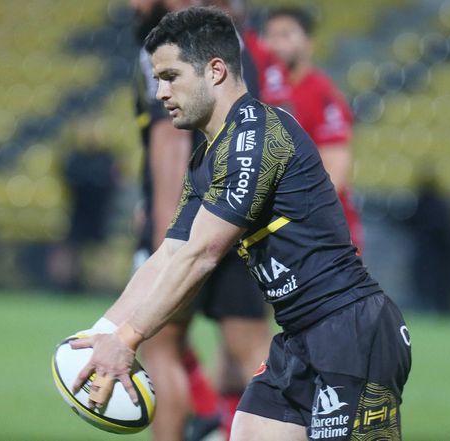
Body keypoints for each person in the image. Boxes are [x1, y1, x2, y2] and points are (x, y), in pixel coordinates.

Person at [71, 7, 411, 440]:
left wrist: (129, 337)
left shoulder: (256, 136)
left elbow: (202, 254)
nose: (160, 92)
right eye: (157, 79)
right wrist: (103, 332)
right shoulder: (207, 156)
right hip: (299, 337)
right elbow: (171, 252)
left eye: (171, 76)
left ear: (214, 71)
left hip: (351, 334)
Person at [130, 1, 270, 439]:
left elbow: (169, 143)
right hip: (238, 213)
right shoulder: (237, 48)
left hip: (190, 217)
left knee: (161, 351)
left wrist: (165, 238)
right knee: (255, 355)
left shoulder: (168, 49)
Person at [254, 6, 363, 250]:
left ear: (309, 43)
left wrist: (297, 215)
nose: (275, 43)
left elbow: (336, 165)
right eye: (270, 35)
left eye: (286, 34)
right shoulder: (260, 92)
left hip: (321, 230)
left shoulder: (321, 94)